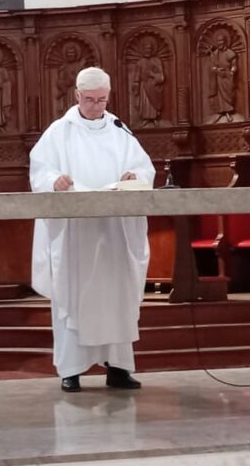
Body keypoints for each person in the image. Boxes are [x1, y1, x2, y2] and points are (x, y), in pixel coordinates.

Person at [29, 66, 156, 393]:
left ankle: (118, 369)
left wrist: (134, 177)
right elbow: (41, 170)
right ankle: (71, 371)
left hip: (113, 232)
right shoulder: (60, 132)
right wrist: (54, 182)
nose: (97, 107)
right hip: (77, 234)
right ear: (76, 96)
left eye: (102, 100)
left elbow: (144, 167)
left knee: (116, 298)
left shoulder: (118, 129)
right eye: (90, 100)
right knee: (75, 296)